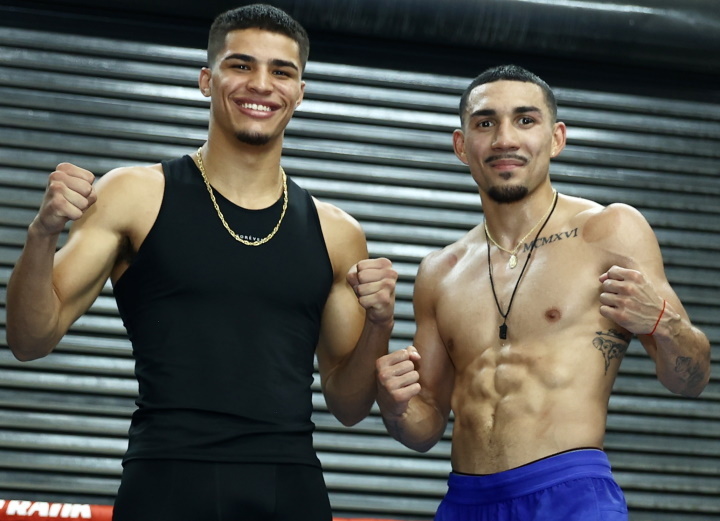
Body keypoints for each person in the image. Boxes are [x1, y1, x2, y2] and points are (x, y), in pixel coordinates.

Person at [6, 4, 397, 521]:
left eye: (281, 72)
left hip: (289, 489)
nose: (261, 84)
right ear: (206, 80)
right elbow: (30, 339)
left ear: (300, 92)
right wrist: (42, 233)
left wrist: (380, 325)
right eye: (241, 65)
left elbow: (348, 406)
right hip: (167, 483)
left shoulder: (338, 232)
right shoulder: (133, 195)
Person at [375, 64, 710, 521]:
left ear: (556, 138)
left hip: (570, 497)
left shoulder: (609, 231)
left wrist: (663, 323)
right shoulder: (441, 272)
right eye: (485, 123)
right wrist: (394, 405)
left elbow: (690, 381)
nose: (504, 139)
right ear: (461, 145)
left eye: (525, 120)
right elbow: (426, 427)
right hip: (466, 502)